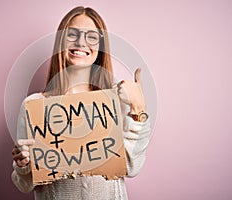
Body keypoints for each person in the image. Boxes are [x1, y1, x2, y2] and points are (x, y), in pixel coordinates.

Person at [11, 6, 151, 200]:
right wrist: (24, 165)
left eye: (91, 37)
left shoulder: (118, 100)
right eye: (72, 35)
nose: (81, 42)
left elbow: (131, 167)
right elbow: (25, 185)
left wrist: (138, 108)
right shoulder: (34, 106)